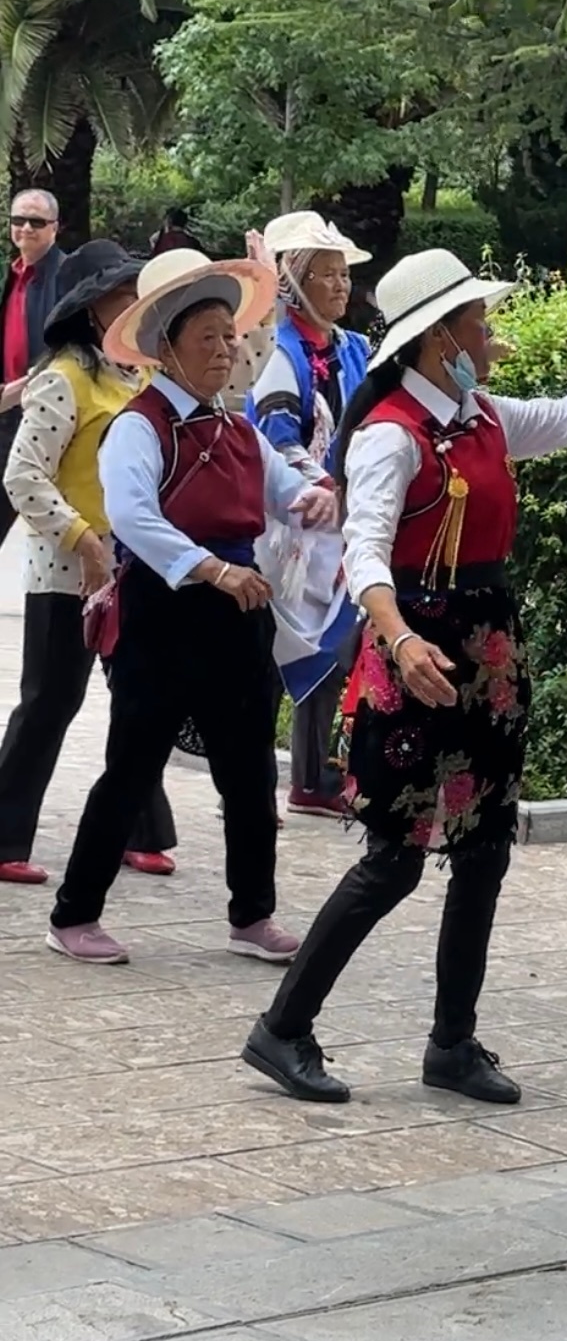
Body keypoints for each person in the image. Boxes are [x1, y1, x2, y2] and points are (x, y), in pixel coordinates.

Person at [240, 239, 567, 1108]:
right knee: (393, 860)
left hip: (486, 655)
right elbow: (364, 549)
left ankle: (452, 1043)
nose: (493, 334)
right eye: (481, 320)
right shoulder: (391, 435)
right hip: (420, 653)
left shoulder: (484, 417)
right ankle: (282, 1028)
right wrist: (397, 639)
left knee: (484, 850)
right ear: (440, 337)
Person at [45, 248, 337, 966]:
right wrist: (209, 569)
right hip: (165, 610)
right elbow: (133, 516)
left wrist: (315, 500)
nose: (223, 349)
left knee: (248, 772)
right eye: (206, 337)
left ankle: (253, 913)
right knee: (132, 765)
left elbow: (281, 496)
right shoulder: (139, 425)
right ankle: (73, 913)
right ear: (166, 349)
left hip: (239, 613)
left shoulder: (237, 428)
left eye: (228, 335)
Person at [0, 242, 177, 884]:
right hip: (68, 568)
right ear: (93, 310)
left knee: (141, 698)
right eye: (122, 296)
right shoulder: (62, 378)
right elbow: (24, 475)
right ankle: (4, 836)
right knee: (50, 700)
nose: (135, 305)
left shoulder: (144, 377)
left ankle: (140, 829)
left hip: (136, 564)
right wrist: (82, 539)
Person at [248, 210, 372, 816]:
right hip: (289, 521)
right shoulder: (278, 352)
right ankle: (255, 779)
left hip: (339, 516)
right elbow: (275, 436)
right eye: (327, 274)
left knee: (333, 646)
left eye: (344, 273)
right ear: (295, 282)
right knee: (280, 648)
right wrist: (329, 485)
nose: (341, 285)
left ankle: (314, 776)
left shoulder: (355, 349)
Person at [0, 190, 63, 547]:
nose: (26, 228)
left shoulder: (64, 277)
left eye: (37, 222)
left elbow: (65, 350)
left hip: (42, 410)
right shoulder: (12, 274)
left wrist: (19, 389)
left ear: (55, 228)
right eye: (18, 220)